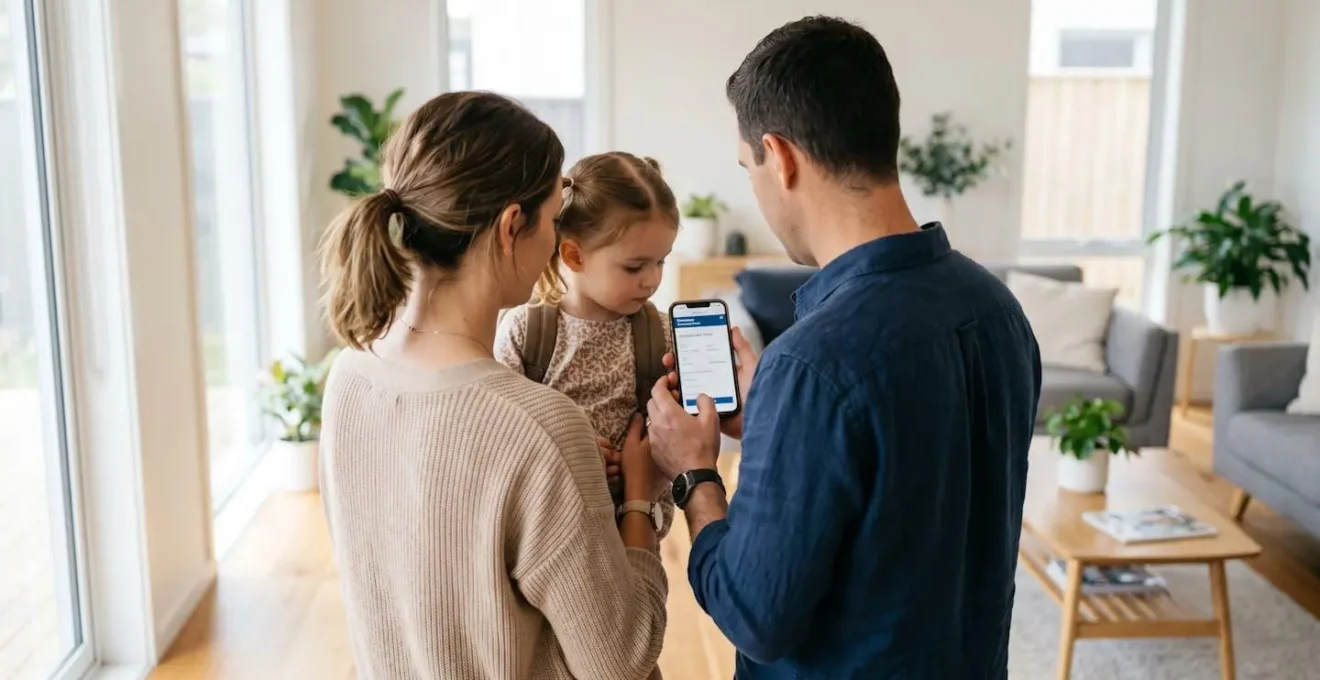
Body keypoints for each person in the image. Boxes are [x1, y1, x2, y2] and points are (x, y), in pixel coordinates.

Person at [644, 16, 1042, 679]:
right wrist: (775, 416)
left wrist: (695, 472)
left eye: (750, 169)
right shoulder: (998, 310)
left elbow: (754, 614)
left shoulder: (814, 364)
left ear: (783, 157)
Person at [318, 91, 667, 680]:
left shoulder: (348, 379)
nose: (557, 244)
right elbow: (621, 660)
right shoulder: (539, 427)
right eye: (555, 222)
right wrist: (640, 496)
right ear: (512, 226)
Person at [495, 151, 680, 539]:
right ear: (573, 255)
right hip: (547, 533)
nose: (652, 281)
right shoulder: (524, 333)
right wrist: (566, 452)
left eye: (661, 262)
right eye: (635, 266)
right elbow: (497, 441)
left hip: (636, 528)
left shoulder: (662, 334)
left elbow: (677, 435)